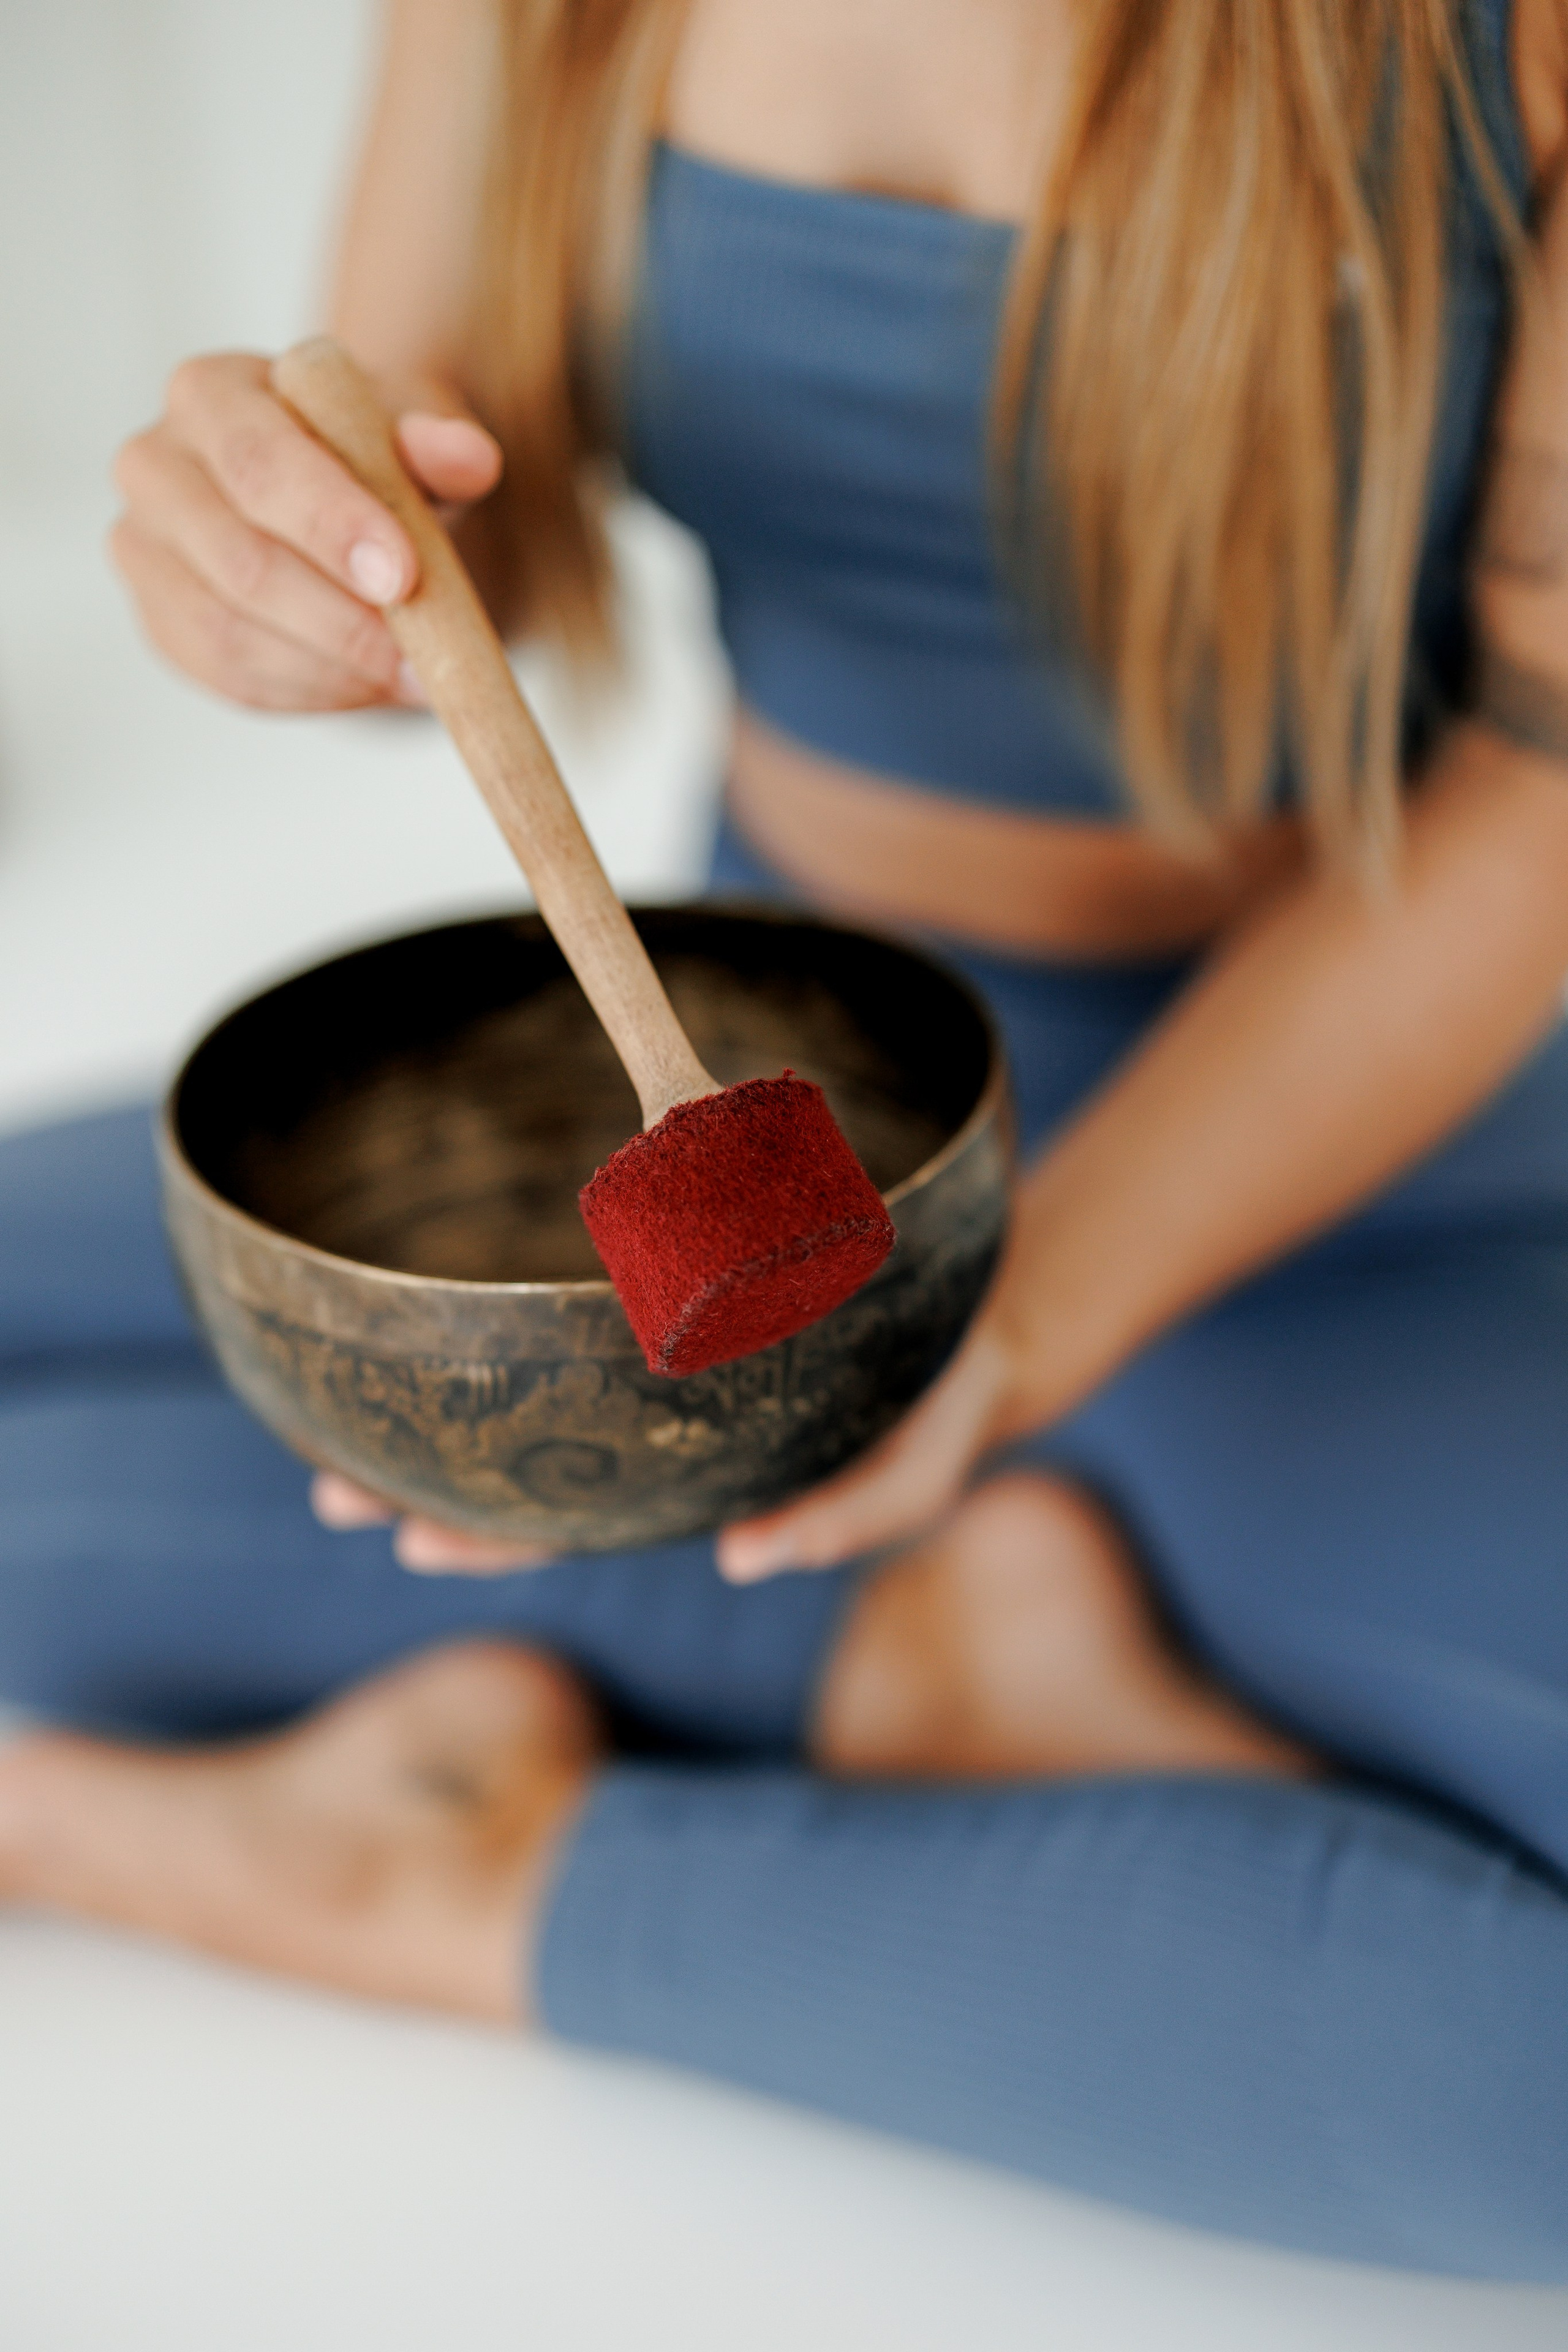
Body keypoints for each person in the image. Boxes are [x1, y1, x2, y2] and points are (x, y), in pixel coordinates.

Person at [4, 0, 1568, 2276]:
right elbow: (447, 519)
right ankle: (904, 1666)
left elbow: (1548, 785)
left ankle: (444, 1882)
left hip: (1346, 1178)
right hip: (779, 1104)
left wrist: (1010, 1322)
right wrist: (269, 569)